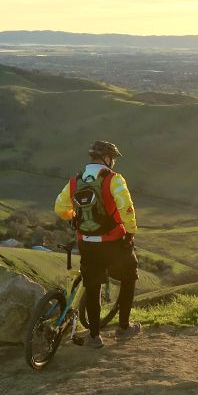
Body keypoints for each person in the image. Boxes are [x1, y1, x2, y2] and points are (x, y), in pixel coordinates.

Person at [53, 140, 140, 349]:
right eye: (113, 159)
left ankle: (93, 336)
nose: (114, 163)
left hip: (86, 243)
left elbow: (59, 208)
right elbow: (126, 208)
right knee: (129, 276)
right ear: (107, 159)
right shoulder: (113, 179)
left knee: (92, 286)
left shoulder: (75, 180)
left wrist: (74, 217)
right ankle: (124, 327)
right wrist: (130, 231)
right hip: (113, 243)